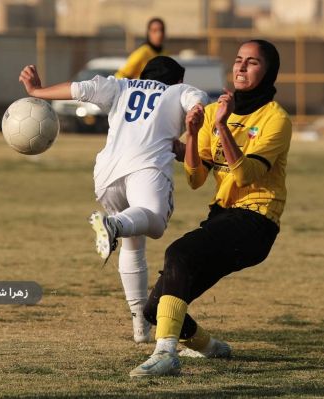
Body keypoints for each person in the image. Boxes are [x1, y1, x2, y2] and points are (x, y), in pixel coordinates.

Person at [129, 39, 292, 377]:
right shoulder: (216, 110)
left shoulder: (275, 118)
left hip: (256, 221)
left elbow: (246, 175)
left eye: (252, 62)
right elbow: (195, 178)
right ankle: (210, 348)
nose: (242, 67)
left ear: (268, 71)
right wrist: (191, 133)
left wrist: (221, 126)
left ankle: (165, 354)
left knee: (179, 252)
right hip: (223, 216)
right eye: (238, 60)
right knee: (154, 308)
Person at [18, 56, 208, 344]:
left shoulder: (122, 86)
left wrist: (37, 91)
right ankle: (114, 224)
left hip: (107, 175)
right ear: (178, 80)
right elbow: (197, 100)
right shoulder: (179, 91)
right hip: (145, 170)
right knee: (154, 223)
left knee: (133, 244)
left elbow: (80, 89)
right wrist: (196, 111)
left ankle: (139, 327)